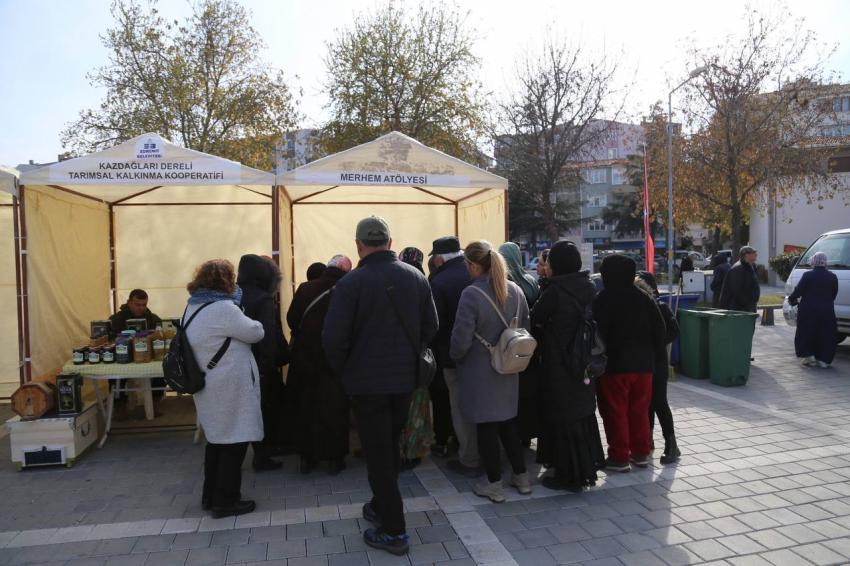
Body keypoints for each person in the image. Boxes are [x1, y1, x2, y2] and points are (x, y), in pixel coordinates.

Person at [323, 216, 438, 556]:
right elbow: (432, 327)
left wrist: (347, 372)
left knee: (379, 454)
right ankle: (380, 504)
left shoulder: (351, 283)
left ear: (358, 245)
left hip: (366, 383)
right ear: (390, 242)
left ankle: (394, 530)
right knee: (388, 447)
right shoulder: (416, 277)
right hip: (405, 381)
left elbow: (333, 339)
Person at [451, 240, 532, 503]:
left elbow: (460, 339)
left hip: (480, 369)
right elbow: (525, 327)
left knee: (486, 426)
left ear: (474, 265)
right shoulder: (517, 290)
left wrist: (455, 357)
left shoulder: (471, 294)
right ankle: (521, 476)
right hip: (510, 367)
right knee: (508, 422)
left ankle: (493, 483)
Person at [184, 259, 264, 518]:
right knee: (234, 442)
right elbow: (254, 332)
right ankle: (226, 501)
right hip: (228, 385)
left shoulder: (193, 305)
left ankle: (211, 495)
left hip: (208, 383)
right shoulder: (224, 309)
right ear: (226, 281)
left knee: (216, 441)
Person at [530, 240, 604, 492]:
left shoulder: (555, 291)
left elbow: (535, 319)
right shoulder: (589, 285)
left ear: (558, 264)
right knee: (581, 413)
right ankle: (585, 467)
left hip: (559, 363)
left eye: (549, 262)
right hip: (584, 361)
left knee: (562, 415)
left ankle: (568, 474)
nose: (546, 266)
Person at [593, 255, 667, 472]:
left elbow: (595, 333)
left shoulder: (602, 299)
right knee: (639, 410)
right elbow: (660, 330)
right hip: (644, 366)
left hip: (614, 367)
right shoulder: (644, 298)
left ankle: (619, 457)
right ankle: (641, 453)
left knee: (615, 411)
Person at [287, 254, 353, 475]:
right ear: (346, 270)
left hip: (305, 357)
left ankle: (307, 457)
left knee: (307, 406)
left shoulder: (306, 288)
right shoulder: (349, 289)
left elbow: (292, 319)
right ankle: (335, 458)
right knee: (335, 407)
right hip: (336, 358)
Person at [237, 255, 290, 472]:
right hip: (260, 364)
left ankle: (246, 455)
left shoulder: (234, 295)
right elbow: (267, 336)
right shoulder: (262, 299)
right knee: (267, 411)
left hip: (238, 362)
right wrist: (268, 366)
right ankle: (263, 455)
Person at [428, 236, 472, 470]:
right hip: (480, 354)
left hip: (449, 354)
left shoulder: (439, 282)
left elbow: (436, 325)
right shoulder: (476, 273)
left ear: (438, 258)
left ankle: (462, 450)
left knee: (451, 403)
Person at [635, 271, 681, 464]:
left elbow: (673, 331)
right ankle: (648, 439)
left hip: (658, 362)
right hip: (643, 362)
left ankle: (671, 444)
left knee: (659, 402)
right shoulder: (636, 307)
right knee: (645, 403)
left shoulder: (660, 307)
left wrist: (655, 342)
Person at [499, 241, 540, 445]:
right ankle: (527, 434)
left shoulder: (505, 283)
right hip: (529, 344)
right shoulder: (531, 281)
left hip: (510, 344)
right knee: (528, 394)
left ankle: (513, 435)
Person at [397, 247, 434, 469]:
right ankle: (415, 450)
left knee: (397, 408)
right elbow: (432, 324)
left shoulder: (395, 281)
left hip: (394, 358)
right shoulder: (423, 282)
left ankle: (398, 450)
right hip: (418, 356)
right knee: (417, 407)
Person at [788, 252, 839, 368]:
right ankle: (824, 360)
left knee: (807, 332)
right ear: (825, 262)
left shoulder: (807, 275)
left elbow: (798, 290)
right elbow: (833, 294)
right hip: (826, 310)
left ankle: (808, 356)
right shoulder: (832, 276)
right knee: (826, 333)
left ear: (813, 261)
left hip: (808, 310)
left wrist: (792, 299)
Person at [718, 246, 760, 312]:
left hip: (748, 308)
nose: (756, 255)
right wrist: (747, 304)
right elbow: (737, 290)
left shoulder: (750, 266)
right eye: (753, 253)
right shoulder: (738, 268)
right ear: (747, 255)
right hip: (739, 309)